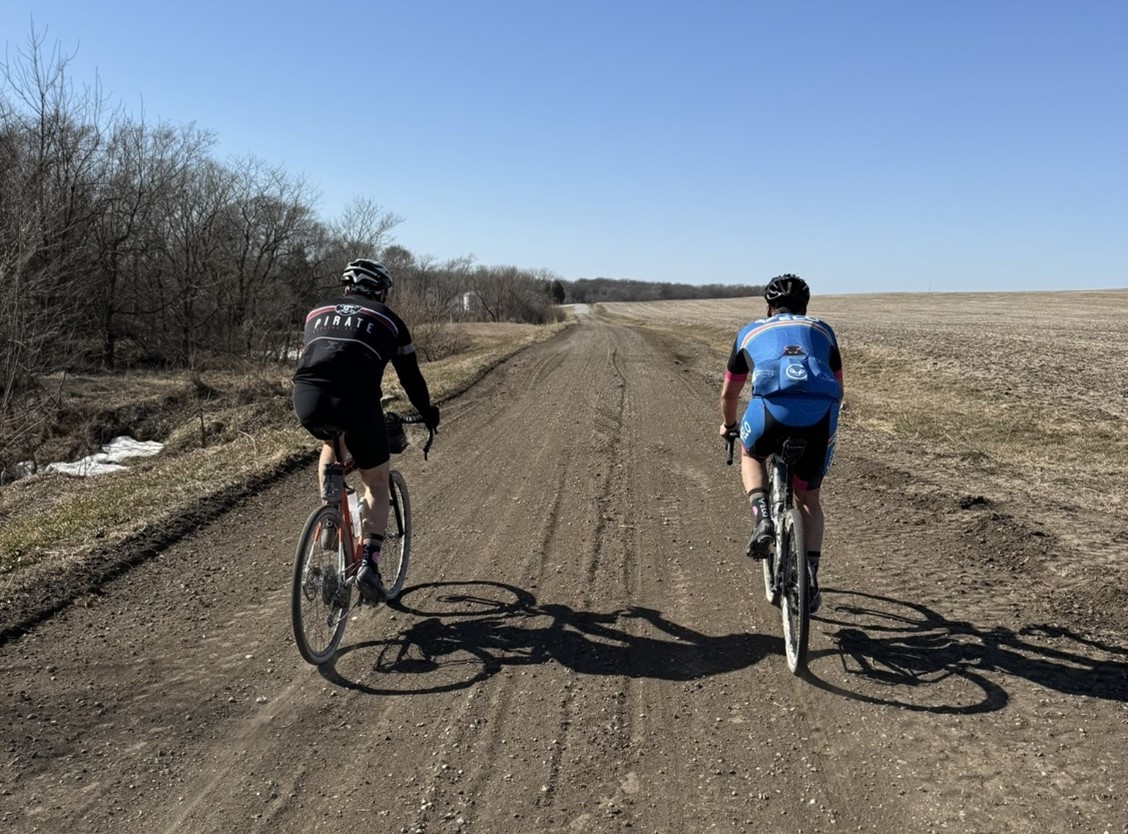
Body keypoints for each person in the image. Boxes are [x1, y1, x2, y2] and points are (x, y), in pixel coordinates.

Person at [292, 258, 440, 601]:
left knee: (332, 438)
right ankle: (369, 566)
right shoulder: (390, 320)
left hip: (307, 397)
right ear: (381, 292)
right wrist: (427, 412)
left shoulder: (316, 312)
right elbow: (411, 378)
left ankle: (330, 515)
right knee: (375, 480)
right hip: (357, 401)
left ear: (346, 288)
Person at [718, 274, 843, 611]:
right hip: (820, 418)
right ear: (805, 307)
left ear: (768, 308)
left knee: (752, 453)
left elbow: (729, 394)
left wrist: (730, 426)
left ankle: (762, 518)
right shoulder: (823, 330)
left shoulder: (750, 331)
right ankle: (810, 576)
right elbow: (838, 387)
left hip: (770, 415)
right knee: (809, 499)